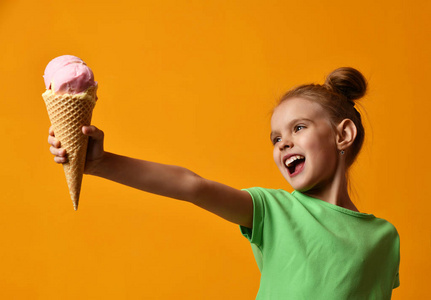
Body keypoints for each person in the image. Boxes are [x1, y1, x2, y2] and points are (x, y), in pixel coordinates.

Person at [48, 67, 400, 299]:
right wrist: (101, 163)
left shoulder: (384, 239)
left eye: (299, 128)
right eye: (275, 139)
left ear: (344, 135)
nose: (284, 144)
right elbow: (193, 186)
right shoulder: (274, 211)